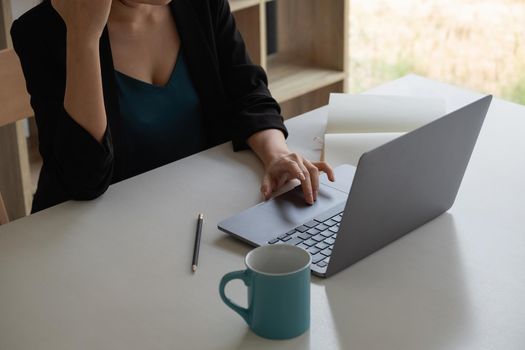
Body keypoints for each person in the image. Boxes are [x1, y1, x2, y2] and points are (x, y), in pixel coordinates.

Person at [11, 0, 335, 213]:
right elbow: (84, 180)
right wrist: (83, 37)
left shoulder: (199, 5)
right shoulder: (42, 32)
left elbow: (247, 93)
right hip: (88, 232)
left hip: (192, 213)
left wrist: (275, 154)